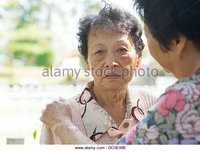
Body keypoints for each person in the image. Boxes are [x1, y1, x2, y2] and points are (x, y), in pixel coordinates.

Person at [41, 0, 200, 144]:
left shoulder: (158, 105)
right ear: (87, 62)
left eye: (122, 49)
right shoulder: (59, 114)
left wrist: (64, 127)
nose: (111, 62)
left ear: (138, 58)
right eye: (99, 52)